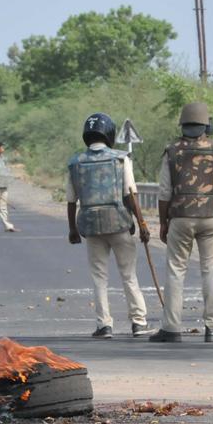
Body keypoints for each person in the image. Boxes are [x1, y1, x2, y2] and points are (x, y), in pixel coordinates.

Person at [154, 102, 213, 343]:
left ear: (182, 125)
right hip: (211, 218)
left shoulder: (172, 150)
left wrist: (163, 223)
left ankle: (171, 328)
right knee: (210, 271)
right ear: (207, 125)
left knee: (175, 272)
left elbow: (164, 193)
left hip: (180, 218)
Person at [67, 113, 152, 339]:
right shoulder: (121, 159)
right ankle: (138, 322)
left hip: (91, 226)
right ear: (110, 134)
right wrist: (141, 222)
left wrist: (72, 229)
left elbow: (70, 199)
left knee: (99, 277)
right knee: (129, 274)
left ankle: (104, 325)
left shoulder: (75, 163)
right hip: (119, 224)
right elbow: (130, 193)